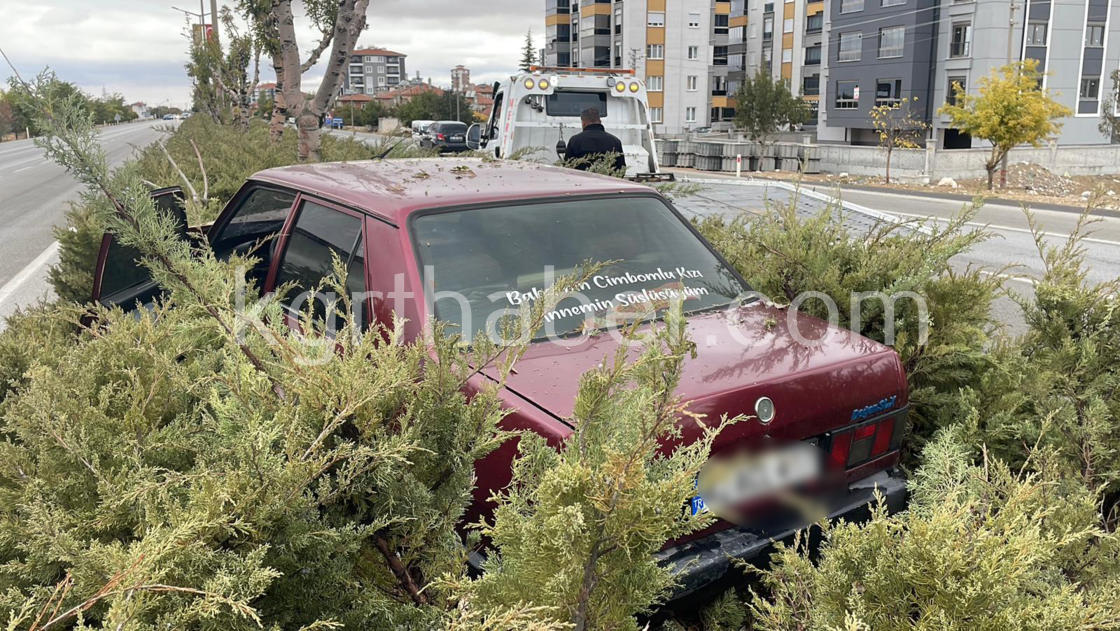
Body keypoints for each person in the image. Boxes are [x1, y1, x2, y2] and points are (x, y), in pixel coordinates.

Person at [564, 107, 627, 173]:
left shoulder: (574, 141)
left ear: (583, 123)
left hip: (581, 182)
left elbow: (567, 167)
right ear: (600, 122)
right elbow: (621, 169)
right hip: (607, 182)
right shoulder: (615, 141)